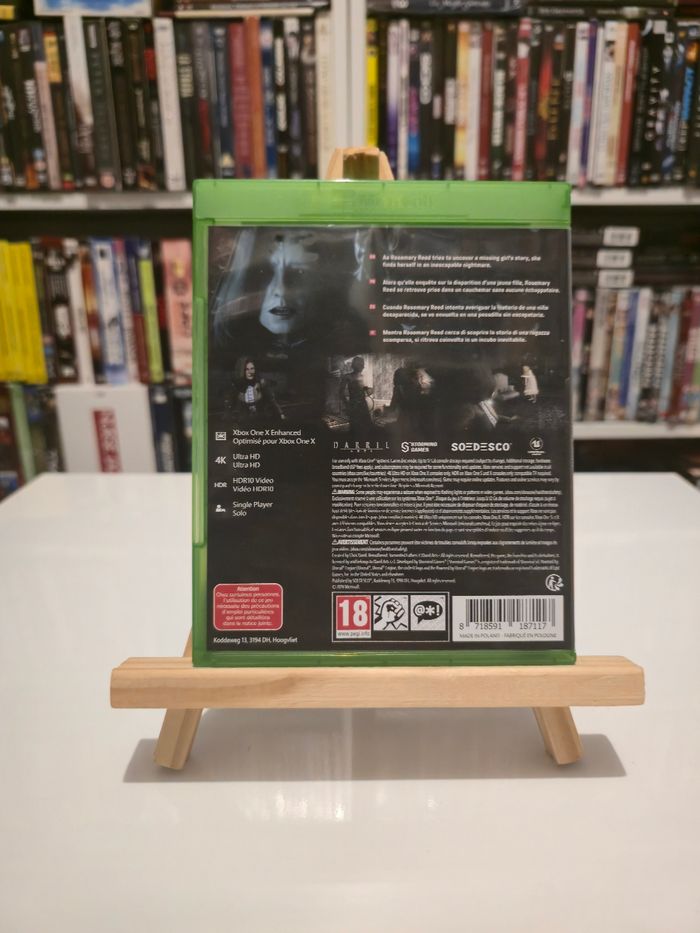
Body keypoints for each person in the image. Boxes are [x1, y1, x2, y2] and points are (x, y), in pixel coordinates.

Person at [232, 359, 284, 423]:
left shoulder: (261, 383)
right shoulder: (239, 383)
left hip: (260, 416)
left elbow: (272, 400)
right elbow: (234, 402)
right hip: (244, 417)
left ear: (255, 370)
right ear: (244, 371)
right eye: (247, 369)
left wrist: (280, 413)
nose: (249, 371)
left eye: (252, 369)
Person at [340, 356, 374, 434]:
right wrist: (347, 405)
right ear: (355, 365)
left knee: (367, 427)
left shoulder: (363, 376)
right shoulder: (347, 377)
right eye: (361, 364)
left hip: (363, 405)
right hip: (353, 405)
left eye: (363, 364)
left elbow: (368, 392)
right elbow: (341, 393)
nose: (363, 367)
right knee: (355, 428)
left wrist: (367, 389)